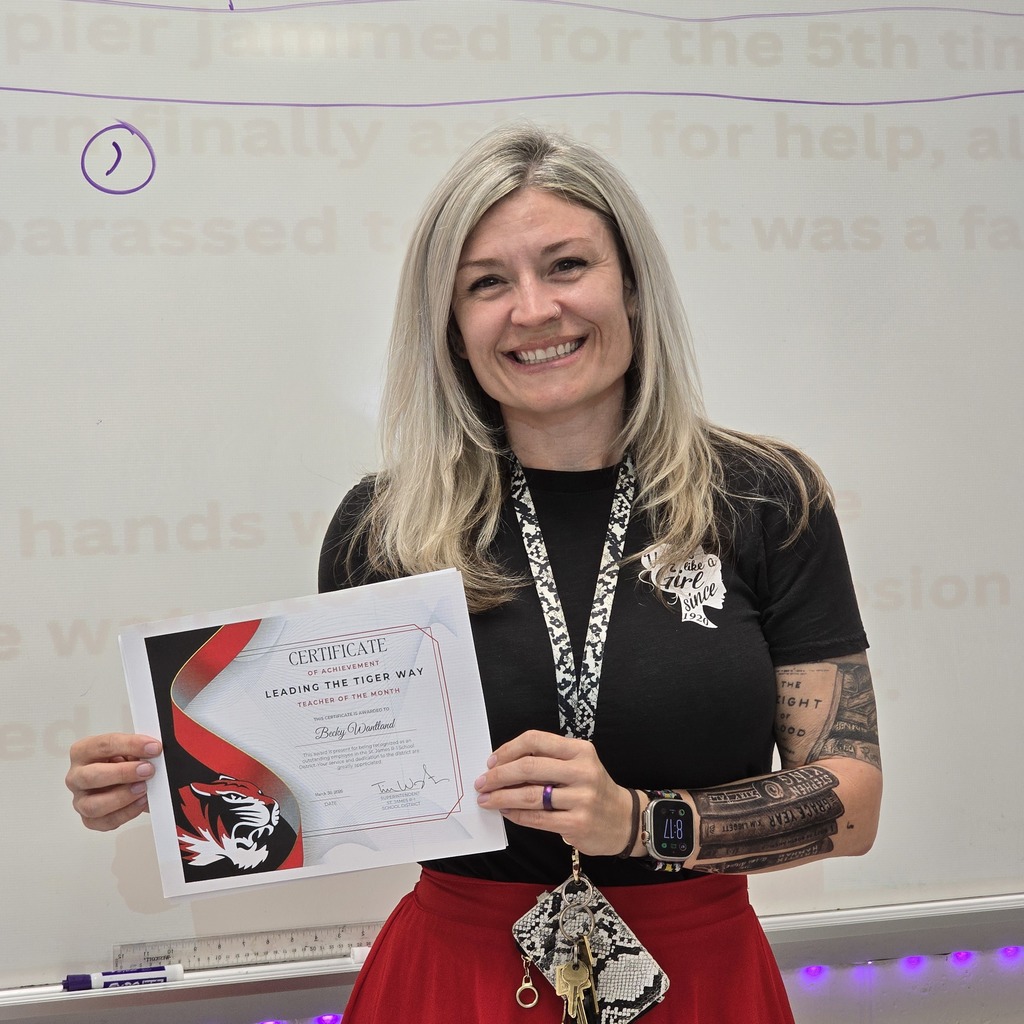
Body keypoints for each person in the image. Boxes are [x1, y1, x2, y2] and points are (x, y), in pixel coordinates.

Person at [67, 123, 882, 1023]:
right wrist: (176, 786)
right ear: (452, 328)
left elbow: (852, 798)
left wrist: (641, 821)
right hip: (457, 982)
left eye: (567, 265)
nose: (533, 310)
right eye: (487, 284)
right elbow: (340, 781)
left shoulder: (767, 500)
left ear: (634, 290)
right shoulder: (386, 525)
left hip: (697, 979)